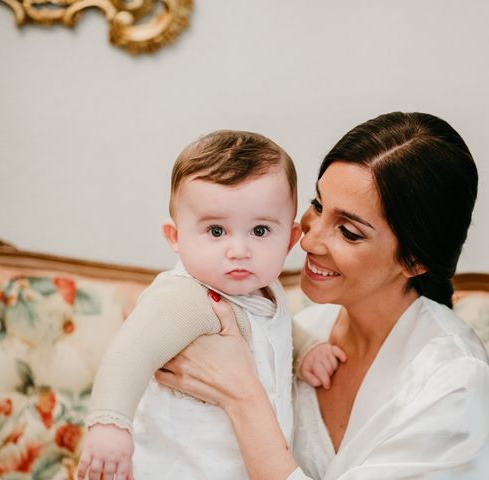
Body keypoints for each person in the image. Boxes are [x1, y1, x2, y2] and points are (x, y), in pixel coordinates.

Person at [155, 112, 489, 479]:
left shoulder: (455, 386)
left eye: (349, 232)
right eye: (317, 205)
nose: (308, 240)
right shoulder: (303, 332)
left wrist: (242, 397)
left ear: (415, 260)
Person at [76, 130, 346, 480]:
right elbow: (130, 352)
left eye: (260, 231)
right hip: (176, 468)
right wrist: (110, 424)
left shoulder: (264, 289)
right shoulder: (186, 296)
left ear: (292, 238)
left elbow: (273, 327)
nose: (239, 250)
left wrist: (306, 349)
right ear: (176, 237)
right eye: (216, 231)